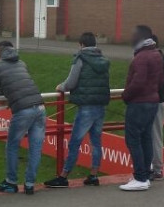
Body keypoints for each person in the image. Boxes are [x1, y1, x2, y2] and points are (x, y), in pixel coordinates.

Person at [44, 32, 110, 188]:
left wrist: (61, 87)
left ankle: (63, 176)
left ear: (81, 45)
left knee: (75, 143)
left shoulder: (80, 58)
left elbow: (71, 82)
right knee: (96, 142)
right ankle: (93, 175)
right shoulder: (103, 61)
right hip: (100, 105)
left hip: (86, 106)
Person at [0, 41, 46, 195]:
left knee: (12, 145)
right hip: (40, 106)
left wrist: (2, 92)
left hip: (23, 109)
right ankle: (29, 184)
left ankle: (11, 182)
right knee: (35, 148)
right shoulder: (21, 63)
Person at [120, 25, 164, 191]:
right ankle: (145, 174)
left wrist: (126, 96)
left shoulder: (141, 57)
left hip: (139, 103)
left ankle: (140, 177)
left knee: (133, 139)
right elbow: (159, 81)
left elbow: (137, 82)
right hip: (153, 101)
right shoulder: (156, 55)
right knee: (146, 138)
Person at [151, 35, 164, 181]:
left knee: (154, 134)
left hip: (156, 100)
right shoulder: (160, 57)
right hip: (159, 99)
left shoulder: (155, 60)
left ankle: (157, 168)